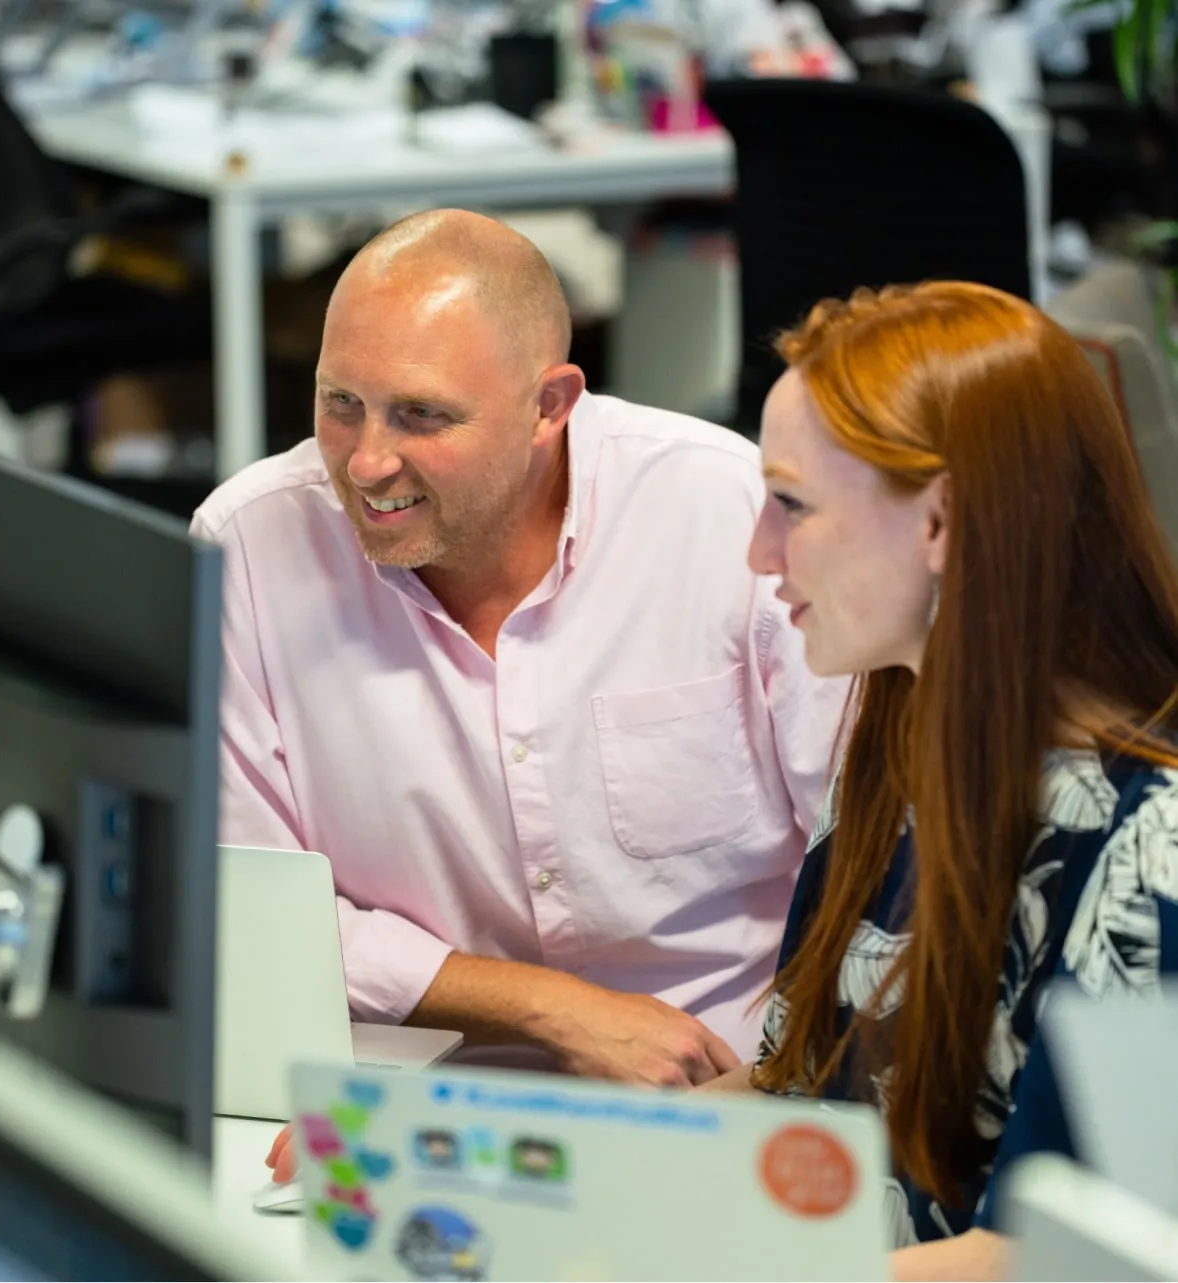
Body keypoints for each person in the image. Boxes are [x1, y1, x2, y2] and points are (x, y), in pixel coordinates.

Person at [189, 210, 845, 1181]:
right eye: (340, 403)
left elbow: (877, 855)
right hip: (421, 1100)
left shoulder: (727, 517)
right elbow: (243, 902)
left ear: (550, 405)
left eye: (422, 415)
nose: (366, 461)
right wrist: (548, 1005)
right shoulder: (247, 545)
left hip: (734, 1095)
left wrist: (778, 1086)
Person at [701, 280, 1178, 1280]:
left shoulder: (1152, 847)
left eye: (790, 503)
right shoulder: (897, 742)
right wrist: (456, 1158)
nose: (758, 551)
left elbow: (1052, 1258)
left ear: (940, 521)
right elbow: (795, 1100)